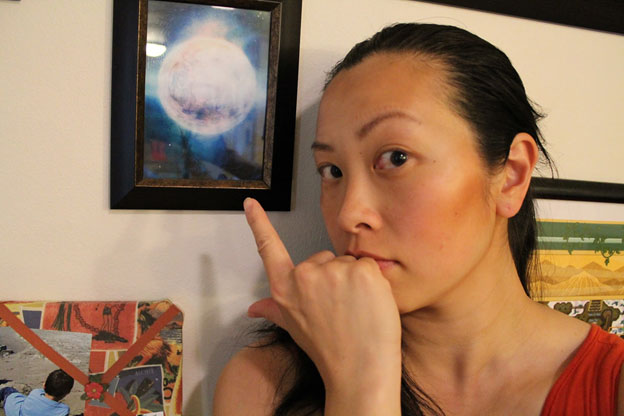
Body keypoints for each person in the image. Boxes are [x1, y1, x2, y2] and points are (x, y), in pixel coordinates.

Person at [213, 23, 624, 415]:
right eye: (332, 170)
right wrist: (359, 379)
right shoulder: (263, 386)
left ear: (512, 175)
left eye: (396, 158)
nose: (349, 214)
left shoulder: (611, 386)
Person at [0, 369, 73, 416]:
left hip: (15, 412)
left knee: (8, 390)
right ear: (67, 393)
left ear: (44, 385)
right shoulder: (63, 410)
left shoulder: (36, 393)